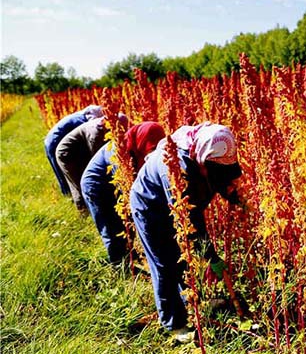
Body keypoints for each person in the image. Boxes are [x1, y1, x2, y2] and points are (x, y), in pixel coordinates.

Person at [130, 122, 241, 342]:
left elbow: (217, 180)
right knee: (165, 264)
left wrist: (234, 194)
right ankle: (174, 325)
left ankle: (191, 305)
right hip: (150, 208)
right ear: (203, 160)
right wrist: (211, 257)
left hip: (175, 206)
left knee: (181, 262)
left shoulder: (208, 151)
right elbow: (190, 219)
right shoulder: (178, 169)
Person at [80, 122, 166, 265]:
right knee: (112, 228)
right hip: (96, 187)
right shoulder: (118, 151)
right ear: (142, 139)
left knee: (127, 226)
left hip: (114, 185)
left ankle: (133, 257)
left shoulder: (137, 146)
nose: (150, 154)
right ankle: (119, 265)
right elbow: (127, 189)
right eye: (150, 149)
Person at [56, 114, 128, 212]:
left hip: (79, 152)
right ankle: (85, 212)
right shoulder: (95, 133)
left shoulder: (103, 127)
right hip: (66, 154)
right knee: (81, 184)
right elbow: (97, 158)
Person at [44, 105, 103, 195]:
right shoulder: (83, 121)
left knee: (62, 172)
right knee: (66, 171)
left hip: (50, 140)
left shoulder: (80, 116)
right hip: (55, 141)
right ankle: (72, 196)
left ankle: (68, 195)